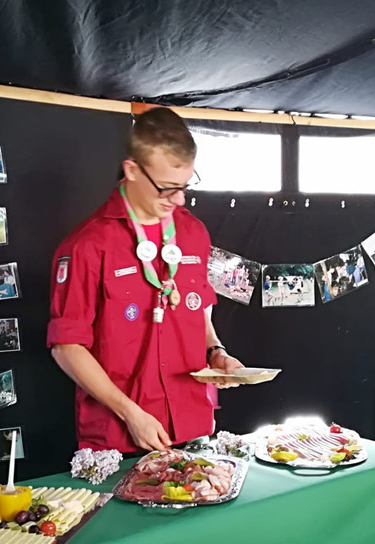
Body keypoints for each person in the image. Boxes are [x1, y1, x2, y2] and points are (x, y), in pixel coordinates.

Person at [48, 107, 242, 453]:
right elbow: (67, 347)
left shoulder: (193, 232)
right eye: (167, 188)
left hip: (193, 425)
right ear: (132, 170)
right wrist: (130, 413)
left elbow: (198, 307)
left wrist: (216, 351)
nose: (178, 199)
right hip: (120, 436)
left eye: (185, 186)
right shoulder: (87, 245)